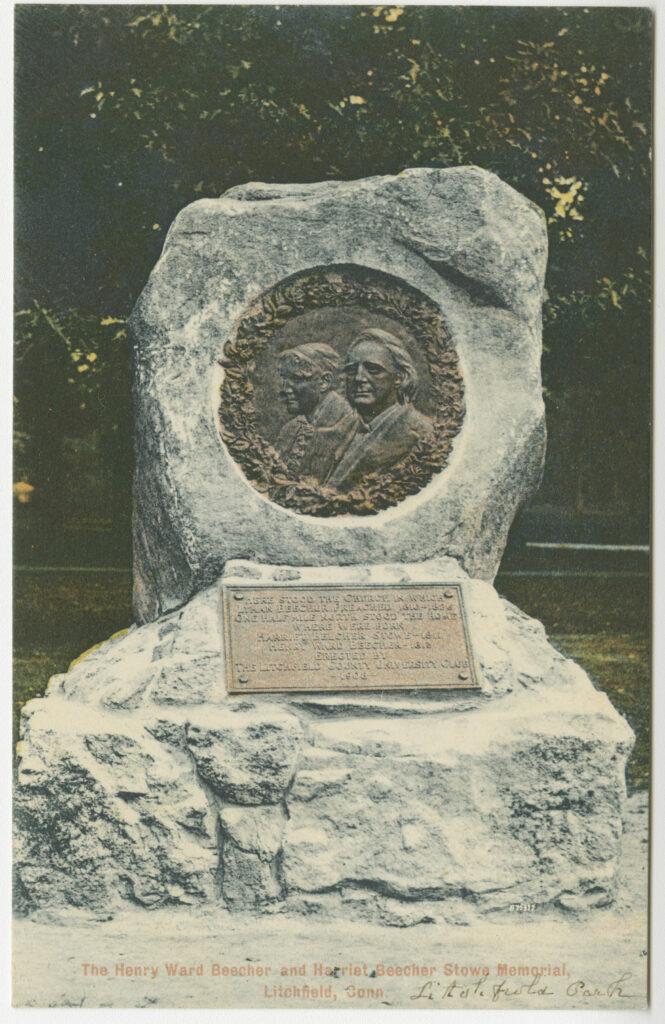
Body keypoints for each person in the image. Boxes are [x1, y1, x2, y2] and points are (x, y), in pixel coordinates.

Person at [325, 328, 434, 491]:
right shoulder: (337, 428)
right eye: (352, 370)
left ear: (399, 378)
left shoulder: (422, 435)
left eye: (374, 369)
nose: (359, 378)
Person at [275, 342, 357, 483]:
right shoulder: (290, 429)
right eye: (284, 379)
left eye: (296, 379)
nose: (285, 389)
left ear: (324, 382)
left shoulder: (354, 426)